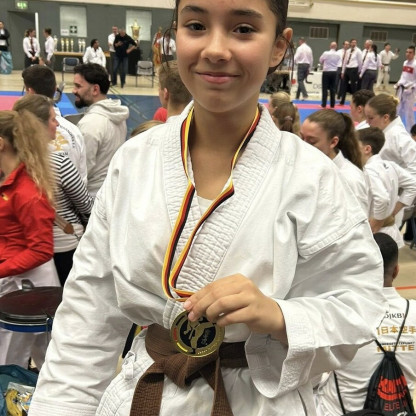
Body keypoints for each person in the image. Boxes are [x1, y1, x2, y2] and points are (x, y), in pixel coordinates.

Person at [29, 1, 386, 415]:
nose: (215, 49)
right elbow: (86, 318)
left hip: (260, 404)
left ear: (279, 46)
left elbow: (358, 308)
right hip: (147, 392)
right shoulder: (136, 160)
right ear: (174, 34)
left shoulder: (313, 177)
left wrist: (279, 315)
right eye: (196, 25)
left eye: (243, 29)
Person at [315, 233, 416, 415]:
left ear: (358, 270)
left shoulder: (338, 313)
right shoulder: (414, 312)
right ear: (396, 271)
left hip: (340, 411)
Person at [12, 94, 93, 286]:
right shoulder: (59, 163)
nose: (57, 124)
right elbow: (85, 205)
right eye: (53, 119)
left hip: (25, 246)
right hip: (64, 243)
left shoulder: (11, 162)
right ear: (38, 126)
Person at [0, 108, 58, 368]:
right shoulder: (11, 181)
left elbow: (41, 249)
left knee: (11, 359)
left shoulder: (27, 191)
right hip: (17, 281)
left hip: (28, 287)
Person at [22, 64, 88, 184]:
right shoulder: (75, 131)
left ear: (30, 92)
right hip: (75, 192)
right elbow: (82, 179)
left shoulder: (19, 130)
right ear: (55, 89)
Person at [73, 63, 129, 197]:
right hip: (111, 192)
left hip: (92, 197)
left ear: (95, 89)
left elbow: (81, 171)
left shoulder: (89, 124)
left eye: (78, 86)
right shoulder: (117, 115)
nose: (74, 91)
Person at [301, 109, 370, 215]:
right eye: (301, 138)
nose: (303, 145)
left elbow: (359, 222)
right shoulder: (307, 165)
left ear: (333, 142)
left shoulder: (350, 179)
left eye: (312, 141)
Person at [357, 127, 416, 248]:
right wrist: (395, 209)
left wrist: (378, 220)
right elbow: (413, 184)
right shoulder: (390, 165)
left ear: (367, 149)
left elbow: (382, 199)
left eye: (355, 146)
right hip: (388, 230)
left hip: (375, 231)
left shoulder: (369, 170)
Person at [365, 93, 416, 178]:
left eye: (370, 118)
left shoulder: (399, 135)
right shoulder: (383, 131)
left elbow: (414, 167)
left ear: (385, 117)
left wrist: (396, 182)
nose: (367, 121)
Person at [394, 45, 416, 132]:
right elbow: (403, 76)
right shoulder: (405, 62)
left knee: (408, 112)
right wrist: (398, 83)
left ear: (414, 54)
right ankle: (397, 128)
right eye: (407, 52)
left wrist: (412, 87)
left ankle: (411, 131)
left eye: (410, 52)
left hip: (410, 91)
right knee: (398, 109)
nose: (408, 54)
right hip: (401, 89)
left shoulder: (415, 64)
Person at [339, 38, 362, 105]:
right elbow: (345, 61)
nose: (354, 43)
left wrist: (359, 71)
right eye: (352, 42)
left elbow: (360, 62)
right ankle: (342, 101)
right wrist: (343, 71)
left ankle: (354, 102)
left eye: (355, 42)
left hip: (354, 69)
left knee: (353, 86)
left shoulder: (358, 51)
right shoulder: (348, 51)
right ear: (350, 43)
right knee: (344, 85)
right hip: (347, 68)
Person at [319, 41, 340, 108]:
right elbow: (339, 62)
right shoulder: (338, 54)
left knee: (325, 88)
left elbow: (320, 60)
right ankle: (332, 105)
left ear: (330, 46)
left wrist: (325, 62)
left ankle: (324, 104)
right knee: (333, 89)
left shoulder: (326, 53)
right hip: (334, 72)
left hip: (326, 72)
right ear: (336, 47)